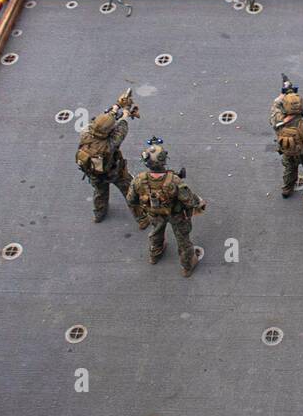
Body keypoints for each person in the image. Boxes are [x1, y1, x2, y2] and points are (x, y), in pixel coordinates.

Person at [129, 138, 207, 277]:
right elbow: (189, 200)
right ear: (164, 161)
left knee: (156, 232)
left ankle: (155, 254)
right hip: (176, 214)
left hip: (154, 213)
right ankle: (187, 266)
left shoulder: (139, 179)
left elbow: (131, 199)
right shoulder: (174, 180)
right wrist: (199, 202)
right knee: (183, 240)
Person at [75, 92, 141, 225]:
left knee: (100, 193)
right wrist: (126, 111)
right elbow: (122, 125)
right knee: (129, 190)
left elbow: (102, 120)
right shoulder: (110, 144)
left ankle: (99, 214)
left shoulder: (85, 133)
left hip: (93, 173)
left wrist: (117, 105)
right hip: (113, 172)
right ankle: (141, 217)